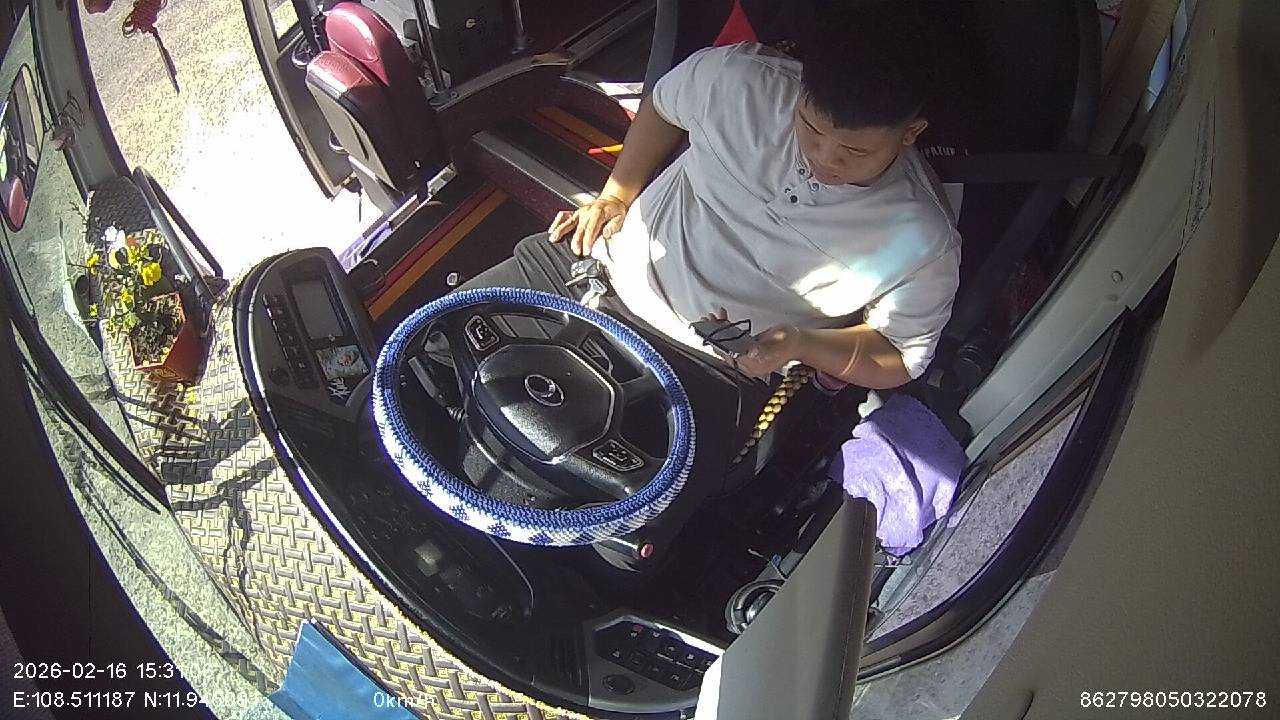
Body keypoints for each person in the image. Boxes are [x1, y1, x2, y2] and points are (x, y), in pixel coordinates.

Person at [463, 3, 959, 477]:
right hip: (594, 269)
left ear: (910, 131)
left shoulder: (922, 236)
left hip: (712, 365)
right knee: (440, 352)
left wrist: (802, 344)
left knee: (595, 509)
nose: (825, 158)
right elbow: (663, 106)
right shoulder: (739, 81)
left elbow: (902, 354)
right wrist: (615, 195)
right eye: (810, 127)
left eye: (855, 150)